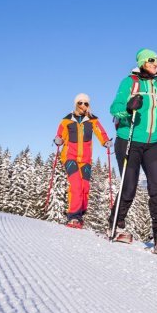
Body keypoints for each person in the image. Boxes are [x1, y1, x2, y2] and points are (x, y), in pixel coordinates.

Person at [108, 48, 157, 253]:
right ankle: (116, 224)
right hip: (129, 139)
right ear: (141, 62)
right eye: (151, 60)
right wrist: (129, 107)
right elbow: (115, 108)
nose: (155, 62)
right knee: (128, 186)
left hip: (155, 143)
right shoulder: (130, 82)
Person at [54, 93, 112, 229]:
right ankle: (73, 216)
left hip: (85, 159)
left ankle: (80, 213)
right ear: (76, 104)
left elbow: (100, 133)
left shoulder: (92, 120)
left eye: (86, 103)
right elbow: (60, 135)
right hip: (69, 156)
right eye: (80, 103)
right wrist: (58, 140)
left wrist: (106, 142)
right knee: (76, 185)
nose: (83, 106)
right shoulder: (67, 120)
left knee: (85, 187)